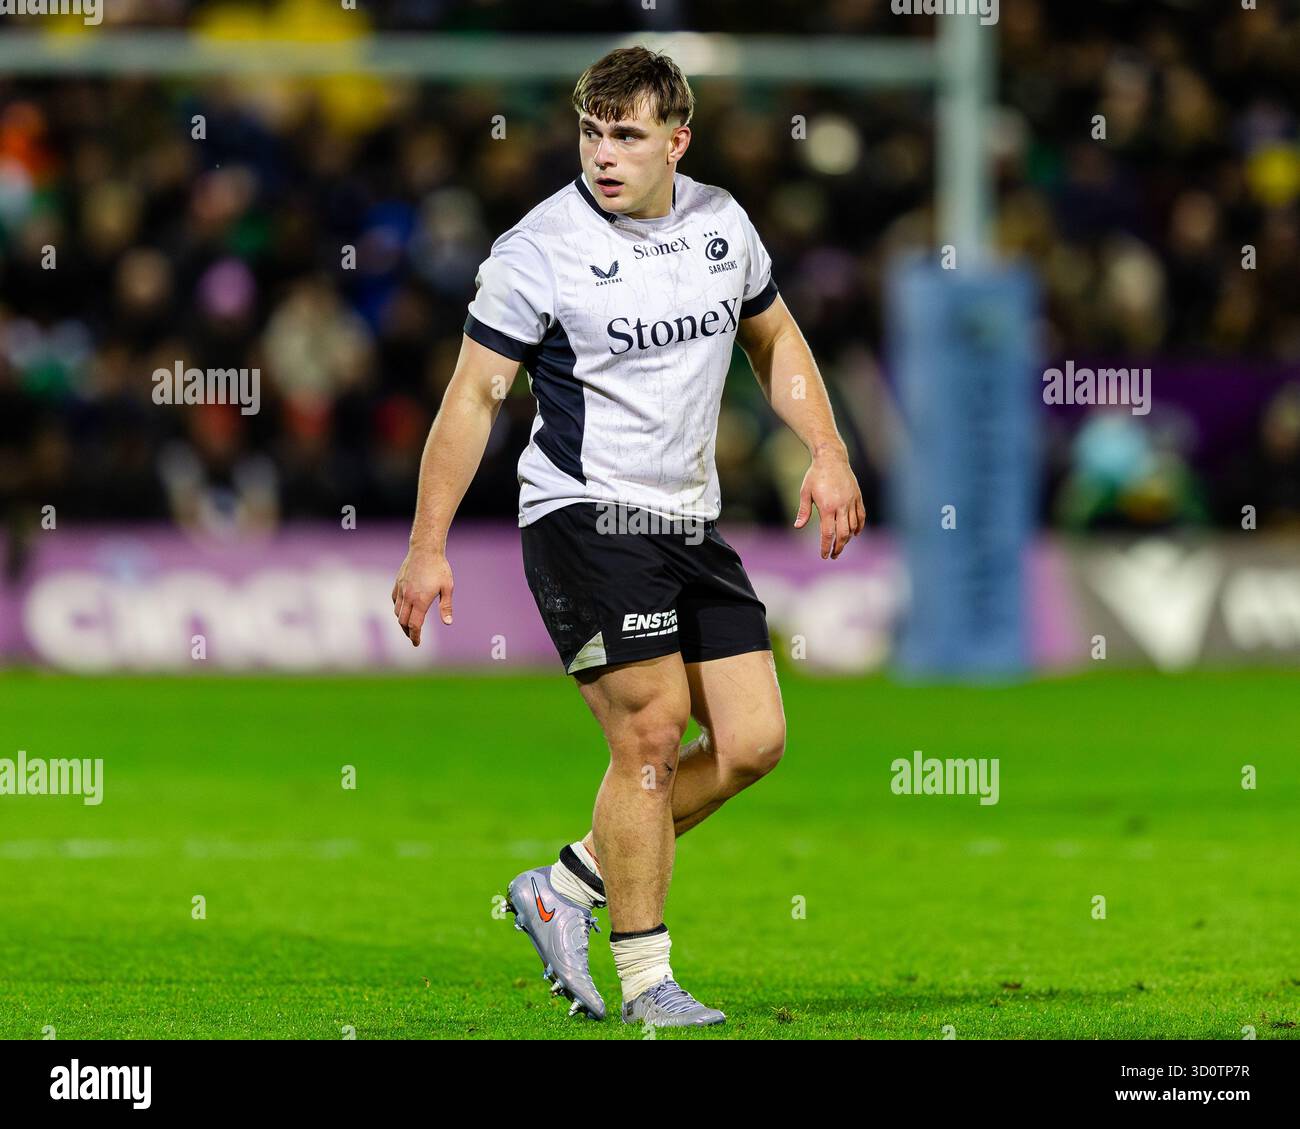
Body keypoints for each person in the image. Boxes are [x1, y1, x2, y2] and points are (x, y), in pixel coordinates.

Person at [391, 46, 864, 1027]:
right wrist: (427, 544)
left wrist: (826, 446)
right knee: (650, 736)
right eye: (591, 133)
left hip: (688, 518)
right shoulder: (540, 251)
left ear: (675, 142)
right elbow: (471, 398)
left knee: (752, 742)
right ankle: (650, 982)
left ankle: (565, 883)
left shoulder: (722, 227)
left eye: (628, 136)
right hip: (583, 516)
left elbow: (772, 337)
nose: (604, 155)